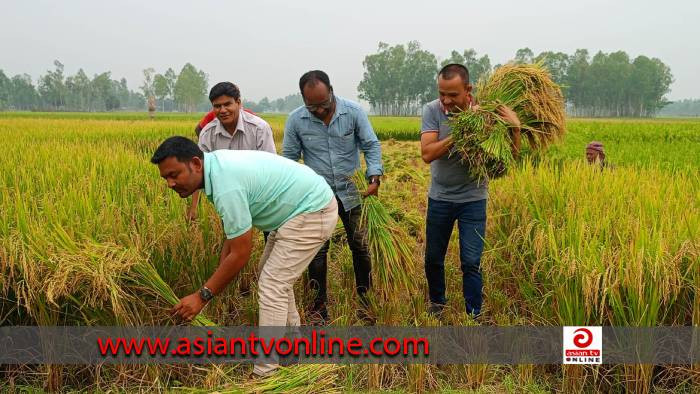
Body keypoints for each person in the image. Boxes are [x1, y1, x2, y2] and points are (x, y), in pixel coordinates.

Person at [151, 136, 337, 377]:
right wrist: (215, 282)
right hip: (296, 210)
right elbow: (233, 236)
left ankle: (265, 372)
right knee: (272, 277)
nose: (170, 183)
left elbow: (241, 252)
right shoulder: (215, 170)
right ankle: (292, 344)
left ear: (196, 164)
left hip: (312, 209)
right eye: (165, 177)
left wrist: (203, 296)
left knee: (273, 284)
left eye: (174, 175)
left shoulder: (225, 184)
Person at [420, 63, 521, 319]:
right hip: (440, 197)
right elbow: (427, 153)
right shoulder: (432, 111)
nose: (446, 100)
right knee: (433, 257)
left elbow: (505, 164)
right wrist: (461, 130)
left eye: (453, 95)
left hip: (473, 199)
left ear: (468, 90)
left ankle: (473, 314)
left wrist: (515, 128)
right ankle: (437, 304)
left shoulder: (487, 114)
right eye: (442, 93)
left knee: (471, 262)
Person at [282, 70, 383, 323]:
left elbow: (371, 145)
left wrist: (374, 176)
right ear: (303, 99)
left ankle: (365, 300)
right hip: (316, 197)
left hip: (353, 192)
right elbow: (290, 160)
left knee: (360, 247)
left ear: (331, 91)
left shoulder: (353, 112)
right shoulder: (296, 120)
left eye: (323, 103)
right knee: (316, 252)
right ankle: (318, 308)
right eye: (311, 105)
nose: (318, 110)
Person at [187, 82, 276, 222]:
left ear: (238, 103)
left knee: (271, 237)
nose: (223, 110)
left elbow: (271, 169)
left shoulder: (259, 128)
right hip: (228, 198)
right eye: (217, 106)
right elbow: (199, 171)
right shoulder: (207, 134)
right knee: (235, 237)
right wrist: (193, 207)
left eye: (227, 104)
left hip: (262, 197)